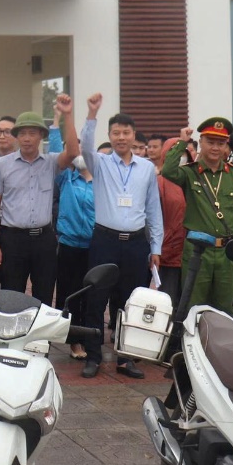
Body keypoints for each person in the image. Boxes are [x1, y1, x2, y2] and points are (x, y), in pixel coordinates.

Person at [70, 96, 162, 379]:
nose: (121, 137)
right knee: (97, 298)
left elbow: (153, 209)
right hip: (105, 241)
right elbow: (84, 145)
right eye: (116, 133)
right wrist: (92, 114)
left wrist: (155, 247)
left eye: (126, 133)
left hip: (136, 243)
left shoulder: (146, 168)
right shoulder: (99, 163)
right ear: (109, 136)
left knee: (129, 301)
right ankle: (94, 356)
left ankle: (126, 357)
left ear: (134, 136)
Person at [0, 104, 78, 305]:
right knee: (12, 295)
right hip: (12, 239)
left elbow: (72, 152)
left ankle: (40, 337)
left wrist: (67, 115)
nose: (27, 138)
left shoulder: (51, 162)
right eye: (23, 133)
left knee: (44, 295)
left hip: (43, 240)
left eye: (32, 133)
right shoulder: (2, 165)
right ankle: (12, 336)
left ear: (41, 136)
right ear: (16, 136)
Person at [162, 118, 233, 313]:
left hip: (227, 251)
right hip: (197, 251)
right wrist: (182, 142)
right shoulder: (190, 173)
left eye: (220, 143)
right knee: (193, 306)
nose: (215, 148)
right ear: (200, 143)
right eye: (210, 142)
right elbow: (168, 171)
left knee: (225, 307)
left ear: (226, 145)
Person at [52, 149, 94, 362]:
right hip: (69, 244)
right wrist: (58, 120)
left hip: (93, 245)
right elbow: (58, 154)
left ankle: (90, 336)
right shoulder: (67, 177)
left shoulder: (101, 183)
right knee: (70, 293)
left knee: (90, 294)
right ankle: (73, 339)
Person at [154, 138, 187, 305]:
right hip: (169, 251)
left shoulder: (192, 180)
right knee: (168, 300)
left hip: (190, 251)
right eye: (178, 155)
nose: (182, 158)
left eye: (185, 155)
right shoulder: (160, 183)